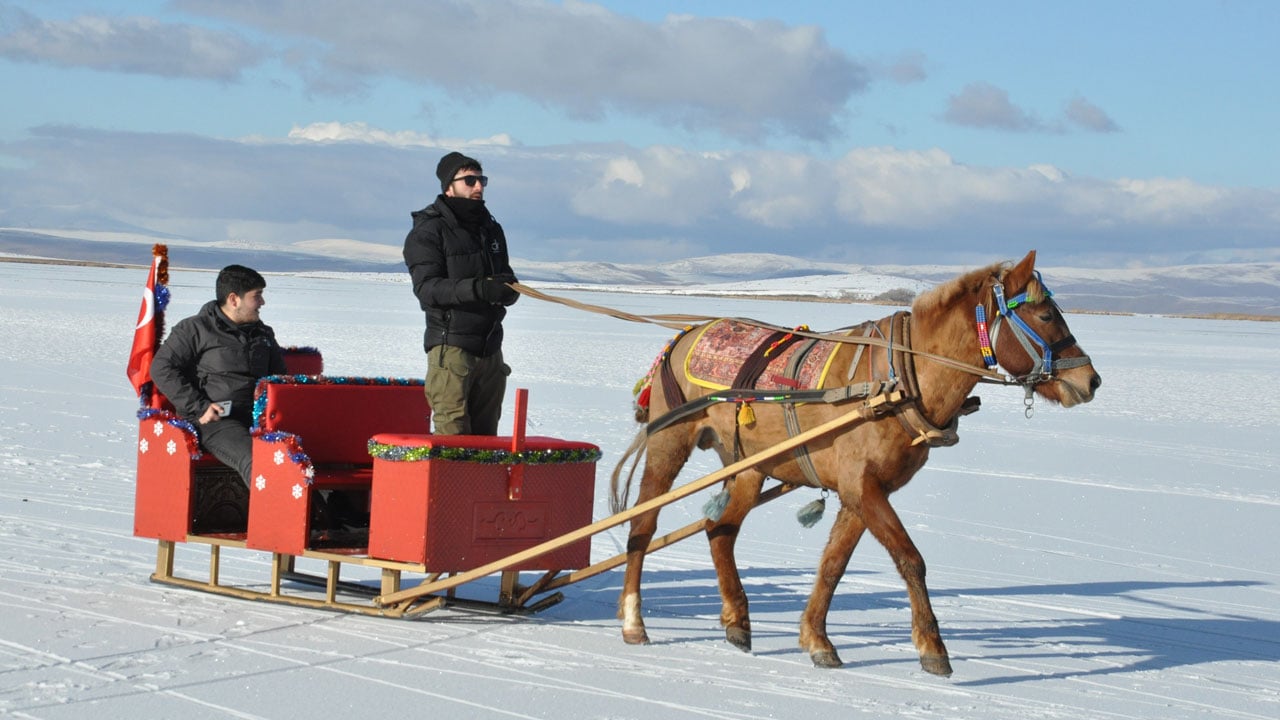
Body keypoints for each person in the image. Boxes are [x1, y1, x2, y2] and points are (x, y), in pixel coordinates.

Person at [403, 151, 519, 435]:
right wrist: (479, 288)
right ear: (448, 186)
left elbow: (505, 276)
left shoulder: (491, 229)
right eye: (469, 180)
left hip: (491, 351)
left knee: (486, 444)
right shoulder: (428, 231)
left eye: (482, 180)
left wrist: (507, 290)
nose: (478, 187)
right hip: (452, 351)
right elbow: (428, 289)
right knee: (452, 441)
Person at [150, 264, 286, 486]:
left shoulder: (263, 333)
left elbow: (279, 378)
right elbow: (162, 368)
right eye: (257, 296)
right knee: (259, 460)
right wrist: (199, 406)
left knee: (316, 449)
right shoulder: (195, 329)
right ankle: (275, 517)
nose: (262, 302)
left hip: (258, 418)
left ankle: (336, 513)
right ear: (234, 299)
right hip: (215, 420)